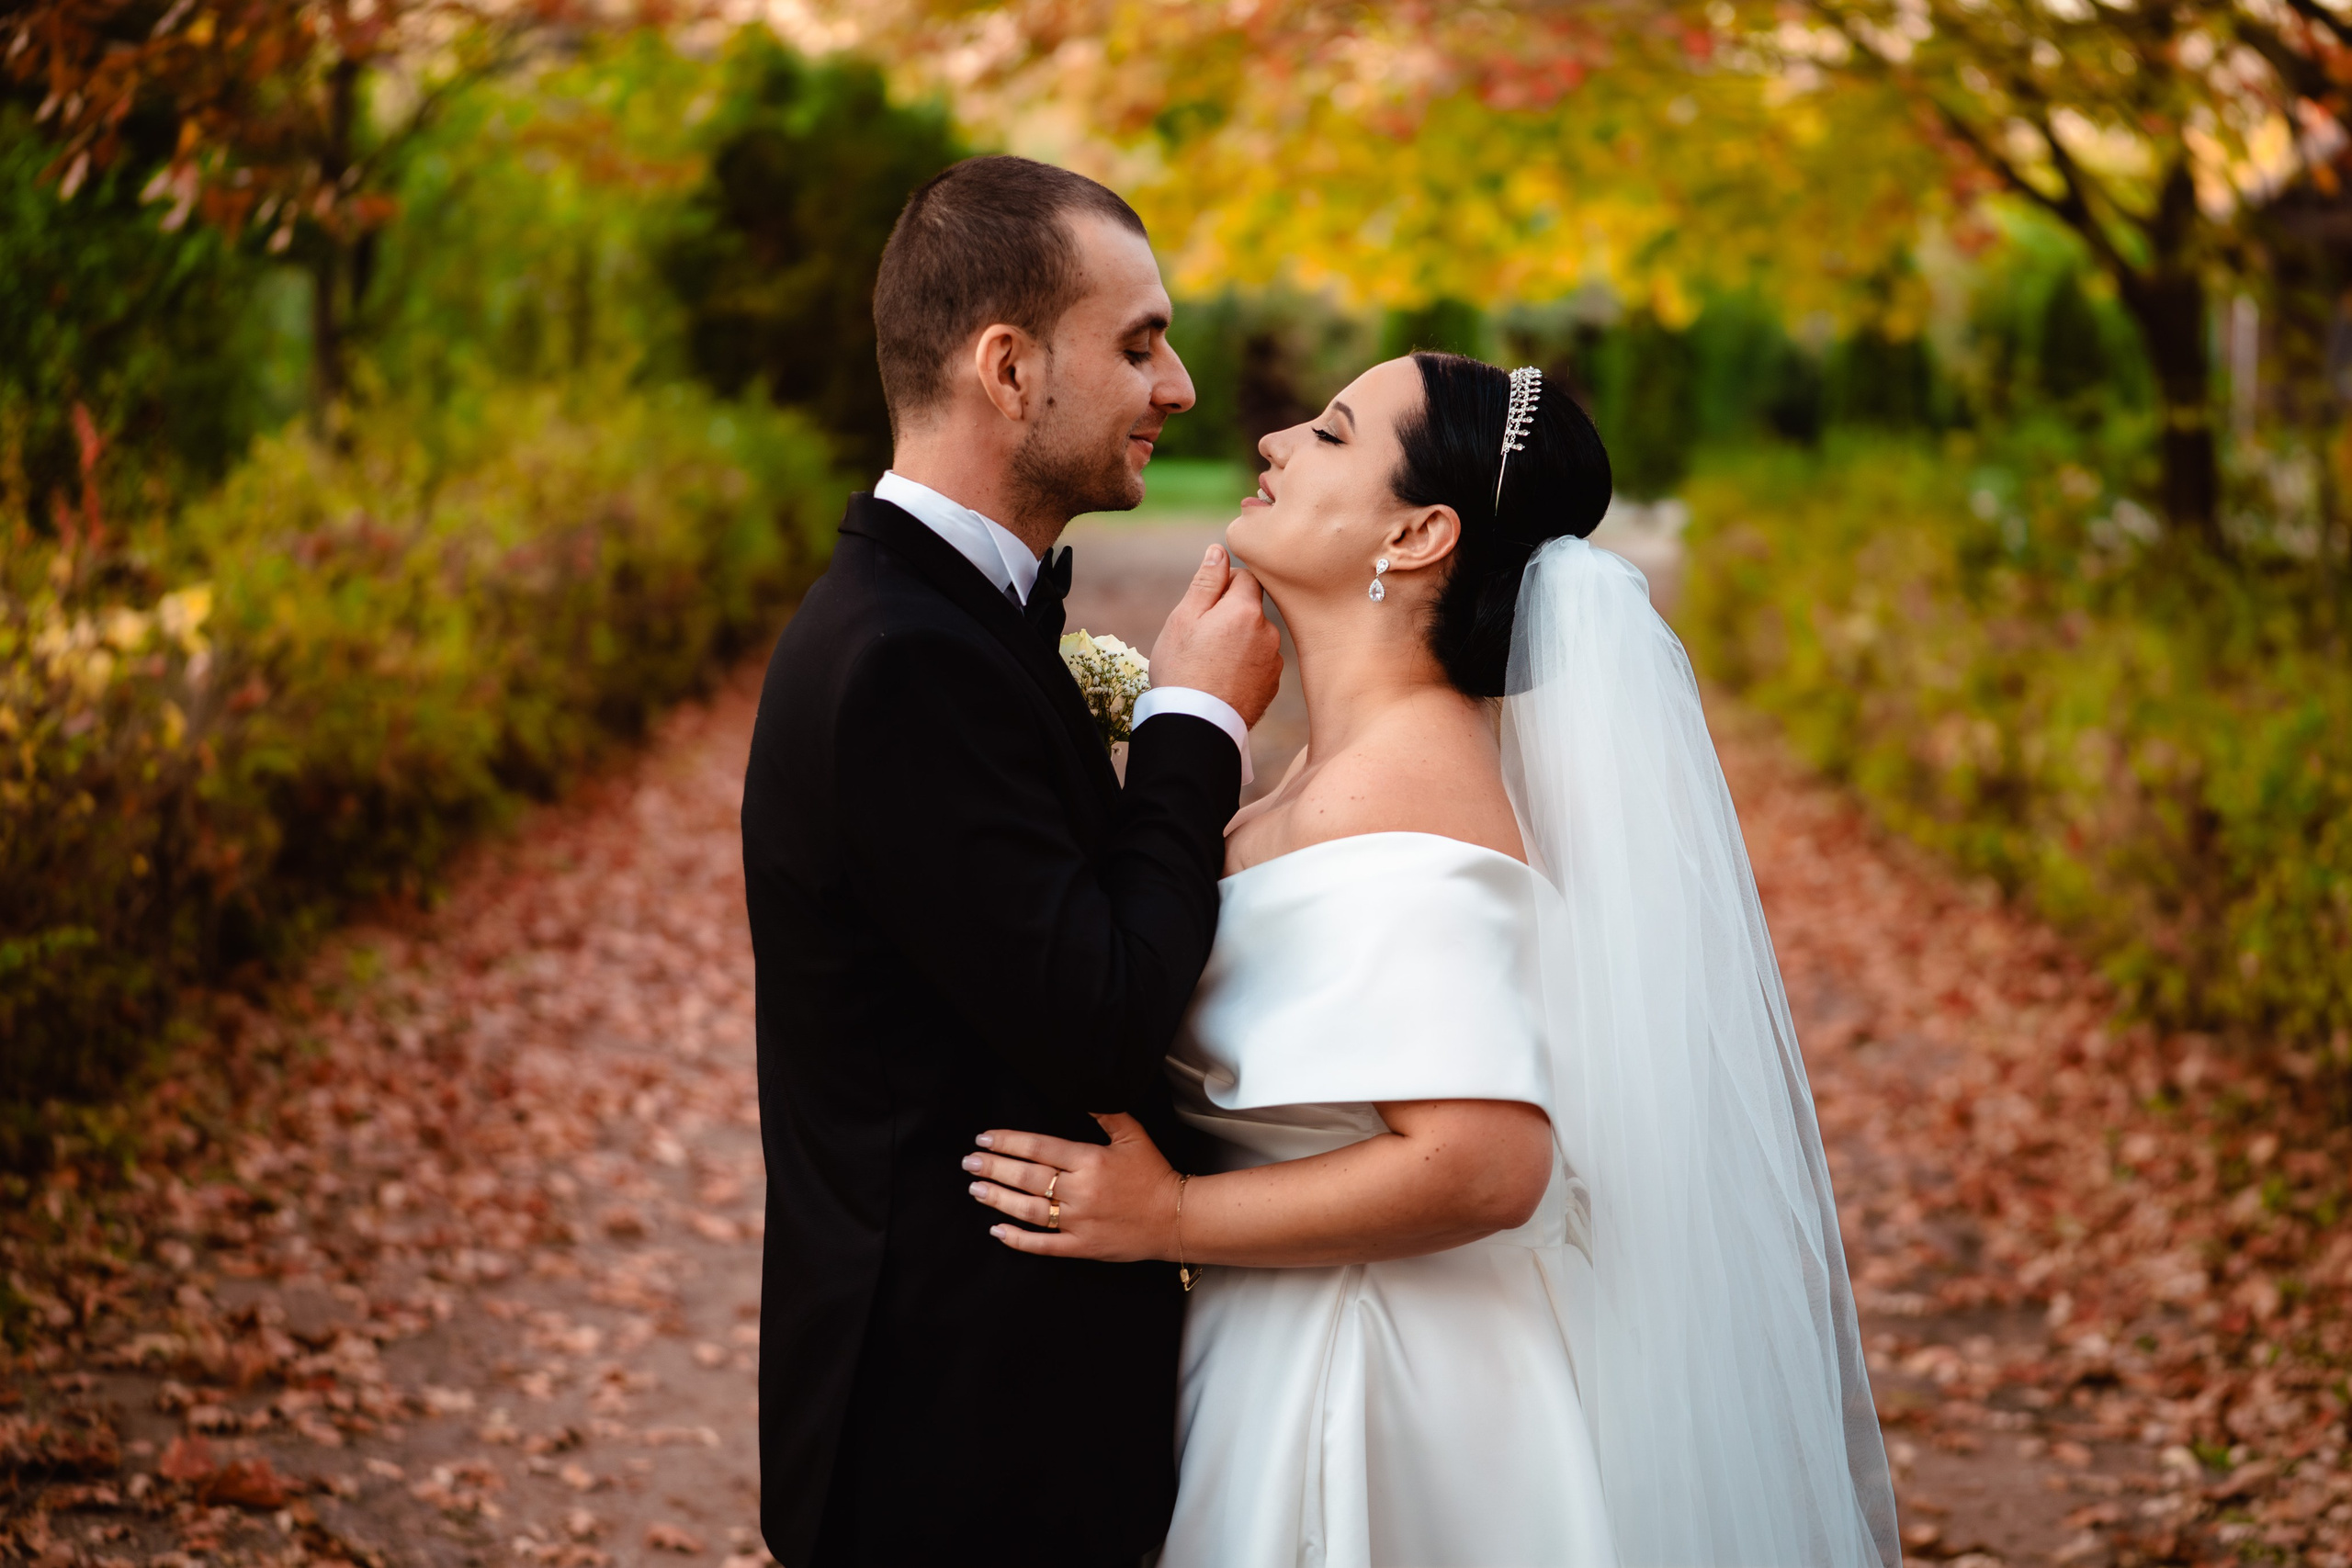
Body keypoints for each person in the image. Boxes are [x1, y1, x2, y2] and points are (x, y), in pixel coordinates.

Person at [962, 352, 1905, 1566]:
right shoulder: (1343, 771)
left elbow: (1485, 1162)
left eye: (1334, 433)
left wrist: (1176, 1213)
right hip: (1304, 1336)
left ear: (1417, 535)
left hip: (1375, 1390)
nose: (1278, 442)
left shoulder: (1401, 793)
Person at [741, 154, 1283, 1567]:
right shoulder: (902, 662)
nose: (1178, 390)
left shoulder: (957, 623)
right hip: (948, 1444)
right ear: (1008, 367)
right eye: (1139, 343)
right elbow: (1101, 1013)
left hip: (1004, 1412)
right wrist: (1192, 721)